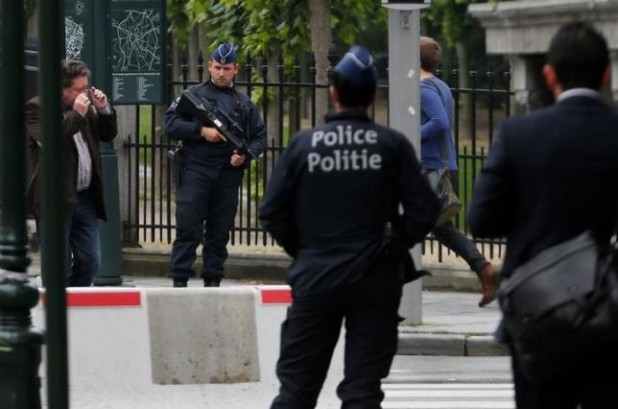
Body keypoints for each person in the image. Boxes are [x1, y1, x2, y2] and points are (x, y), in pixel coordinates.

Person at [259, 45, 439, 409]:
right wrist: (393, 245)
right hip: (375, 279)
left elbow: (272, 212)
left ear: (333, 92)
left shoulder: (303, 145)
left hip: (316, 278)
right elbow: (425, 209)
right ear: (373, 94)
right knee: (362, 392)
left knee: (296, 391)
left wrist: (307, 249)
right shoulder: (392, 145)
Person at [468, 21, 618, 408]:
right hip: (609, 307)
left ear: (550, 74)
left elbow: (482, 219)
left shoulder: (520, 134)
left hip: (540, 311)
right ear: (606, 73)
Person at [164, 42, 265, 288]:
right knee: (188, 228)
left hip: (227, 174)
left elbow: (260, 138)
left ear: (236, 69)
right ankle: (179, 282)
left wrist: (245, 155)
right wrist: (201, 131)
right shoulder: (193, 95)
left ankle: (213, 283)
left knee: (219, 234)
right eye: (217, 67)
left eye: (226, 68)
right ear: (209, 66)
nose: (221, 72)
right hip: (196, 169)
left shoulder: (244, 104)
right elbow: (170, 124)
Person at [419, 36, 498, 307]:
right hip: (443, 166)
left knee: (403, 224)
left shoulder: (423, 89)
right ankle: (485, 270)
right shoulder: (441, 86)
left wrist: (409, 136)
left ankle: (387, 285)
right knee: (441, 229)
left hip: (430, 169)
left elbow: (439, 122)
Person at [25, 59, 118, 287]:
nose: (84, 93)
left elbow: (106, 135)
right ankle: (57, 310)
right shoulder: (37, 108)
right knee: (56, 264)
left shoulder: (84, 108)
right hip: (55, 198)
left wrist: (104, 108)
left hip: (85, 197)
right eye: (78, 89)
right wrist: (76, 114)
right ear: (62, 89)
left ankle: (75, 303)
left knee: (90, 261)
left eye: (86, 87)